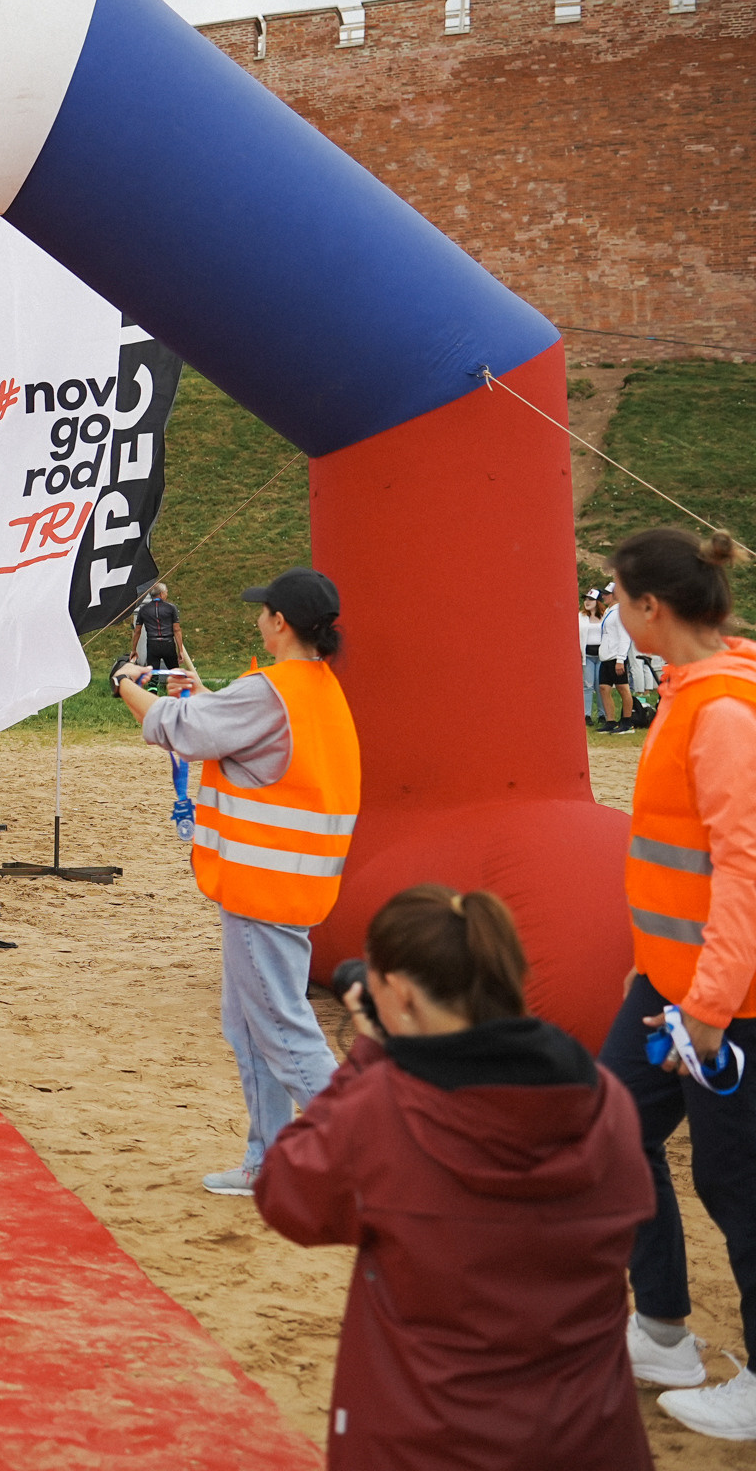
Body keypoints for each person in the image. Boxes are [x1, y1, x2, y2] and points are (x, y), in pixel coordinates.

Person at [254, 886, 653, 1470]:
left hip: (429, 1438)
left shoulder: (384, 1112)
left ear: (403, 995)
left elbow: (286, 1193)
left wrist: (367, 1056)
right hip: (585, 1435)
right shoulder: (605, 1102)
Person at [116, 567, 360, 1195]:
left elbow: (182, 731)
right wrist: (210, 697)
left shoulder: (270, 691)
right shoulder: (316, 687)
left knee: (279, 1028)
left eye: (264, 612)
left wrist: (127, 686)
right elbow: (250, 733)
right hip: (288, 884)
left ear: (280, 623)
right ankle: (266, 1161)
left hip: (263, 886)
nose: (258, 618)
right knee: (251, 1025)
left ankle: (369, 1149)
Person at [590, 527, 756, 1439]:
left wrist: (708, 1005)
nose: (614, 613)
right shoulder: (693, 688)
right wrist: (660, 973)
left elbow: (744, 871)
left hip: (728, 1003)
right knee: (615, 1126)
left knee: (737, 1183)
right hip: (669, 983)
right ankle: (660, 1330)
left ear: (652, 608)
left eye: (617, 598)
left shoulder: (723, 713)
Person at [599, 585, 636, 733]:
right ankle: (610, 720)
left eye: (607, 594)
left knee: (623, 688)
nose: (603, 596)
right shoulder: (610, 611)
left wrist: (621, 658)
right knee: (603, 688)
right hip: (607, 656)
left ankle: (627, 722)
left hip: (616, 656)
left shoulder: (620, 612)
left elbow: (624, 636)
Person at [133, 582, 188, 674]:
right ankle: (179, 686)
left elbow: (137, 630)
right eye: (166, 592)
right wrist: (180, 650)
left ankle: (152, 688)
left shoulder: (143, 609)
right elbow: (177, 629)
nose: (167, 594)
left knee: (153, 675)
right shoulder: (171, 608)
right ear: (162, 594)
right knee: (175, 673)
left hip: (152, 644)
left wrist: (134, 649)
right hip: (168, 643)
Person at [580, 589, 604, 727]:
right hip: (587, 655)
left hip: (601, 655)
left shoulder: (605, 616)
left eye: (591, 599)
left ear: (597, 602)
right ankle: (587, 714)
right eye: (586, 599)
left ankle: (602, 714)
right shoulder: (581, 617)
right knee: (587, 685)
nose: (587, 602)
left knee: (600, 685)